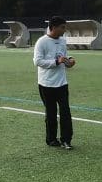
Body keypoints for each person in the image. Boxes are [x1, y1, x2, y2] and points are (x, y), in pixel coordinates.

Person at [33, 16, 77, 149]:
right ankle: (51, 139)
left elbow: (63, 56)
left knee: (65, 113)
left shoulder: (63, 41)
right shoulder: (42, 42)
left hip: (62, 84)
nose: (64, 30)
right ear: (53, 27)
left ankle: (66, 140)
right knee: (51, 113)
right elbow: (37, 61)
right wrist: (56, 62)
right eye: (62, 27)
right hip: (46, 84)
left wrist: (69, 61)